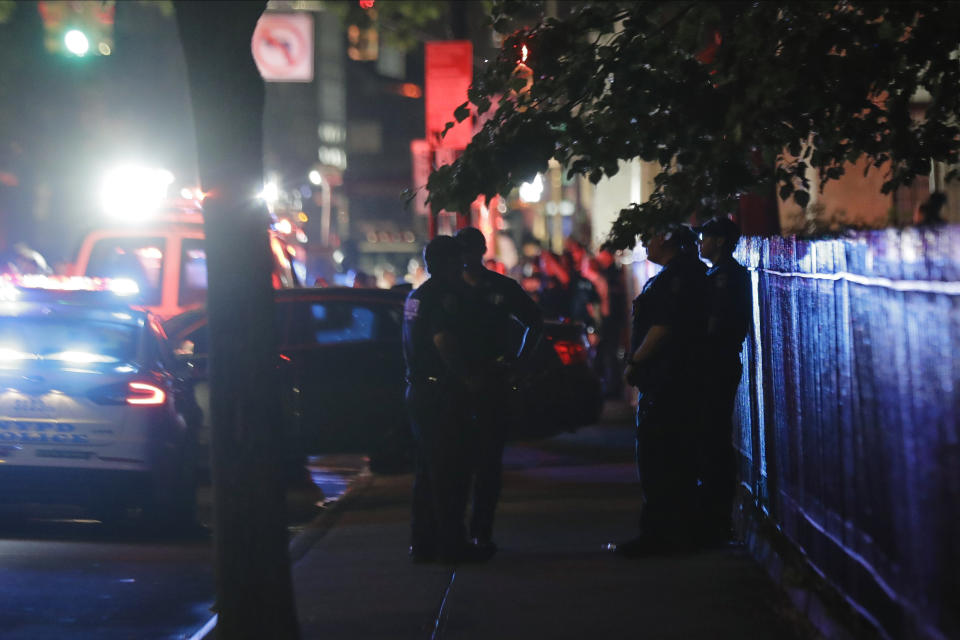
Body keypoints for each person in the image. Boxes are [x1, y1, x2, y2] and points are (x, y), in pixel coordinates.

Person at [611, 225, 709, 557]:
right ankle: (669, 533)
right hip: (671, 381)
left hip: (670, 382)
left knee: (661, 461)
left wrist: (636, 362)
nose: (645, 242)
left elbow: (663, 327)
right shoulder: (677, 274)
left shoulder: (678, 278)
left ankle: (661, 536)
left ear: (667, 241)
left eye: (649, 236)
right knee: (667, 460)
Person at [402, 236, 490, 564]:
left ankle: (423, 542)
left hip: (420, 392)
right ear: (450, 262)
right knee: (451, 473)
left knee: (427, 473)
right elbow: (444, 340)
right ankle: (453, 544)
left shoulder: (417, 295)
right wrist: (468, 377)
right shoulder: (444, 297)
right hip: (442, 394)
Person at [455, 227, 543, 552]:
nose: (467, 257)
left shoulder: (501, 288)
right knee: (461, 462)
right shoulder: (448, 291)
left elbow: (534, 320)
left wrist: (519, 362)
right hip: (459, 384)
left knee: (488, 462)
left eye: (470, 249)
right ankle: (461, 531)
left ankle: (481, 530)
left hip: (491, 381)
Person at [695, 215, 752, 545]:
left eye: (705, 237)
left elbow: (714, 327)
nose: (701, 242)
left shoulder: (725, 277)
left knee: (713, 439)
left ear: (719, 241)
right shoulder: (721, 274)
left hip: (715, 365)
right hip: (716, 363)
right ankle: (714, 514)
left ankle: (717, 517)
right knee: (710, 438)